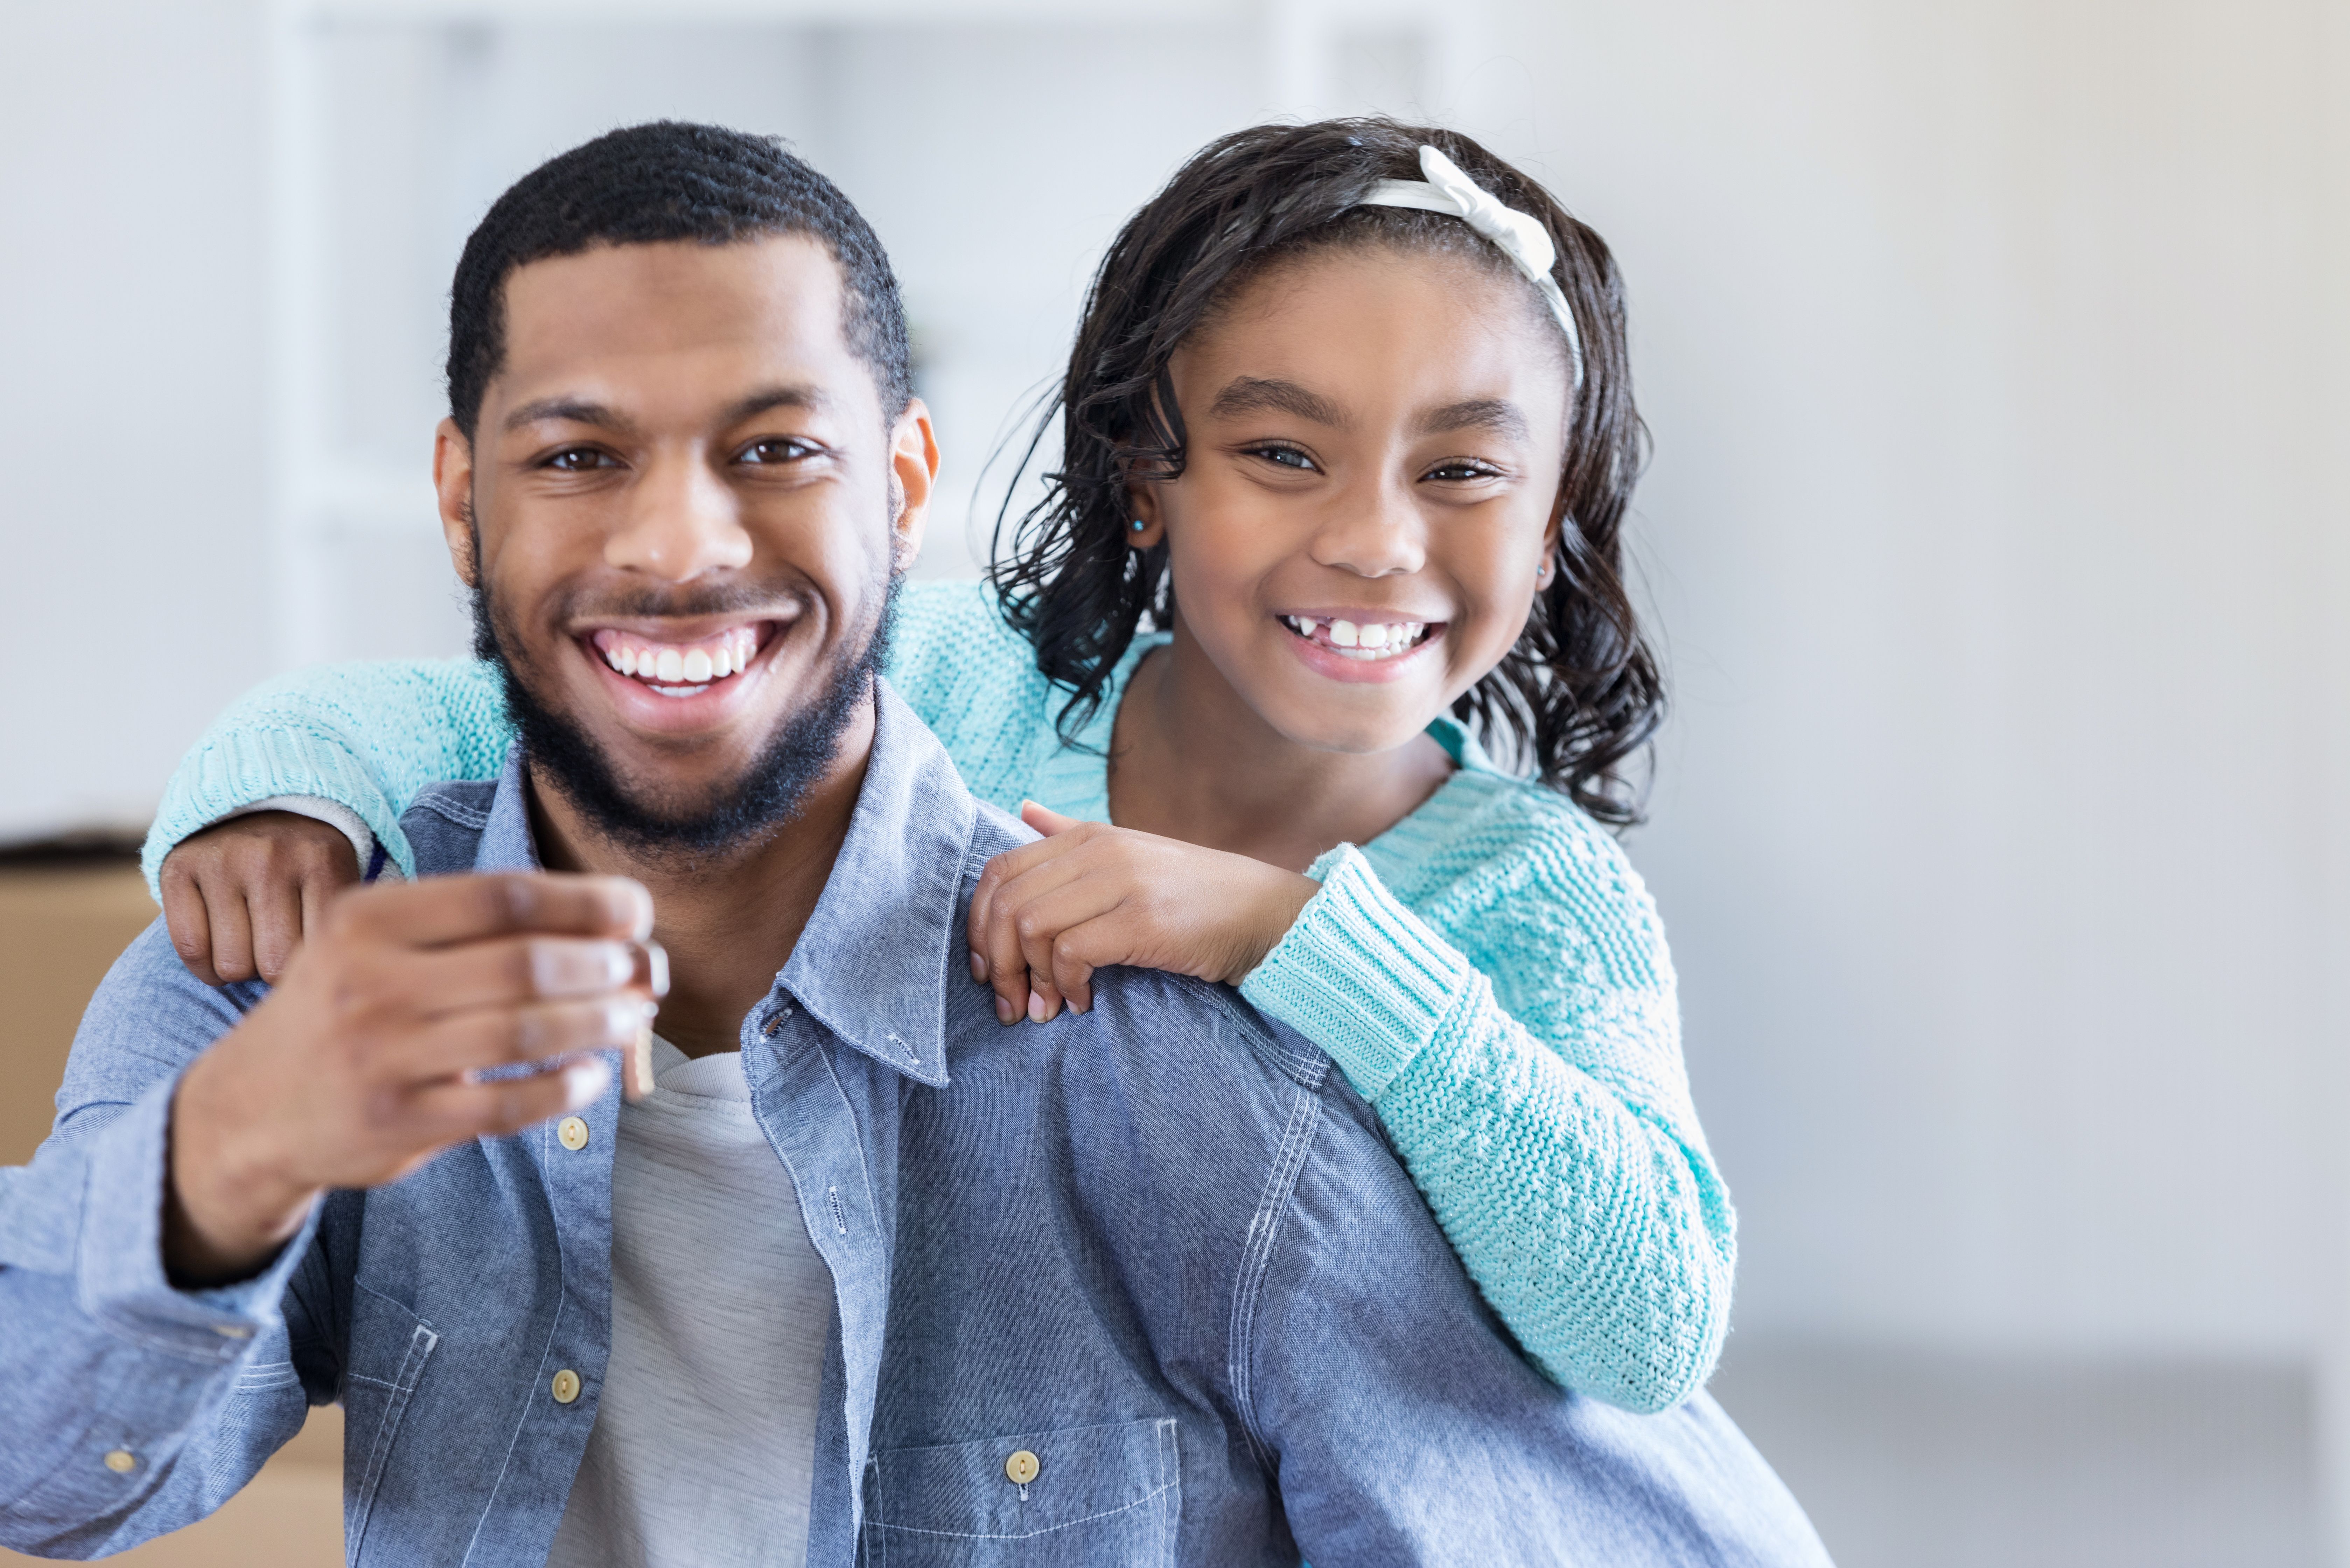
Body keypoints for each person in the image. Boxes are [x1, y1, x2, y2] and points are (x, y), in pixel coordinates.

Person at [0, 123, 1828, 1566]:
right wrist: (262, 837)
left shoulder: (1305, 1053)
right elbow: (455, 719)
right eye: (576, 458)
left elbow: (1641, 1337)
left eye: (774, 448)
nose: (678, 547)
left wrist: (1296, 940)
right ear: (458, 502)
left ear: (903, 487)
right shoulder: (309, 965)